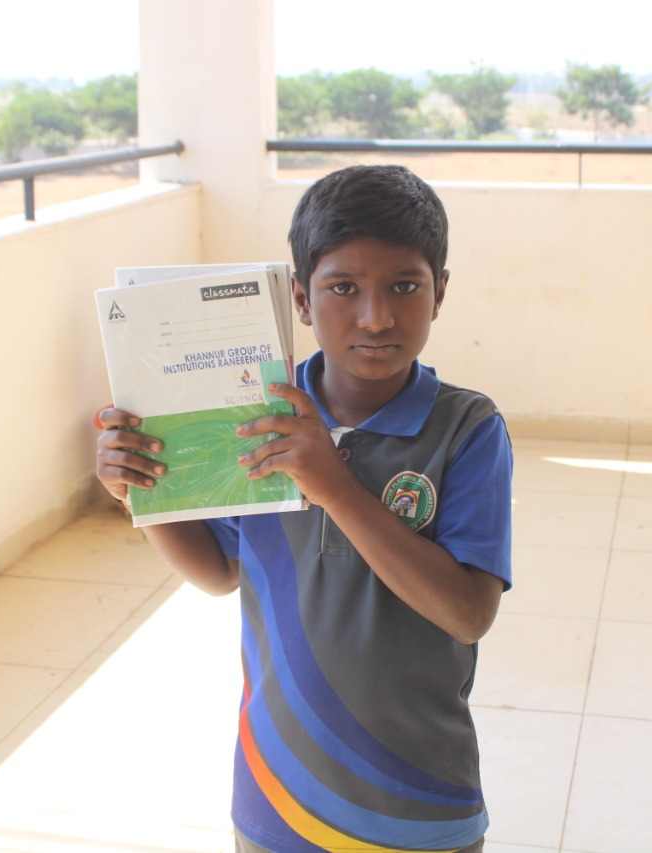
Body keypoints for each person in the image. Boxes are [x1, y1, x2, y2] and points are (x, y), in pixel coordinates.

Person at [96, 164, 513, 853]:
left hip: (419, 804)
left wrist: (337, 487)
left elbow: (468, 613)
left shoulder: (467, 429)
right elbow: (217, 572)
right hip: (277, 799)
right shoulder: (254, 415)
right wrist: (142, 493)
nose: (375, 316)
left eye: (404, 286)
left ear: (440, 292)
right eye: (343, 288)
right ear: (299, 297)